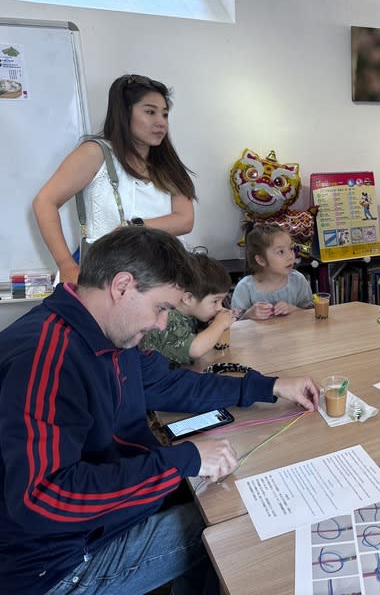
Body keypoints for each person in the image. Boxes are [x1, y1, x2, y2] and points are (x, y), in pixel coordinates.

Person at [0, 227, 318, 594]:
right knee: (229, 525)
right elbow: (44, 498)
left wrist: (270, 386)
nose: (162, 324)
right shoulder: (45, 360)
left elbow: (173, 384)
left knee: (213, 494)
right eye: (161, 308)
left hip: (97, 524)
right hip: (57, 568)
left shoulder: (109, 335)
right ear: (122, 286)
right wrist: (180, 460)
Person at [33, 73, 196, 285]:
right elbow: (44, 202)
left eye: (164, 115)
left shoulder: (167, 162)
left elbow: (184, 220)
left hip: (163, 280)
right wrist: (66, 265)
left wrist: (135, 227)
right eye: (150, 112)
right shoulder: (95, 153)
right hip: (107, 282)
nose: (161, 122)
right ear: (124, 113)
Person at [140, 252, 236, 366]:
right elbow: (195, 349)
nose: (219, 307)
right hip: (154, 380)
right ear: (188, 298)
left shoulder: (190, 312)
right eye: (215, 301)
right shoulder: (168, 318)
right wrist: (219, 324)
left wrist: (217, 321)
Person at [231, 224, 313, 320]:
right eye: (281, 252)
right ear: (261, 260)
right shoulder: (245, 287)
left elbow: (309, 314)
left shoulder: (298, 280)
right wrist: (249, 314)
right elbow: (233, 326)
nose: (291, 256)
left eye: (291, 248)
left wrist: (293, 309)